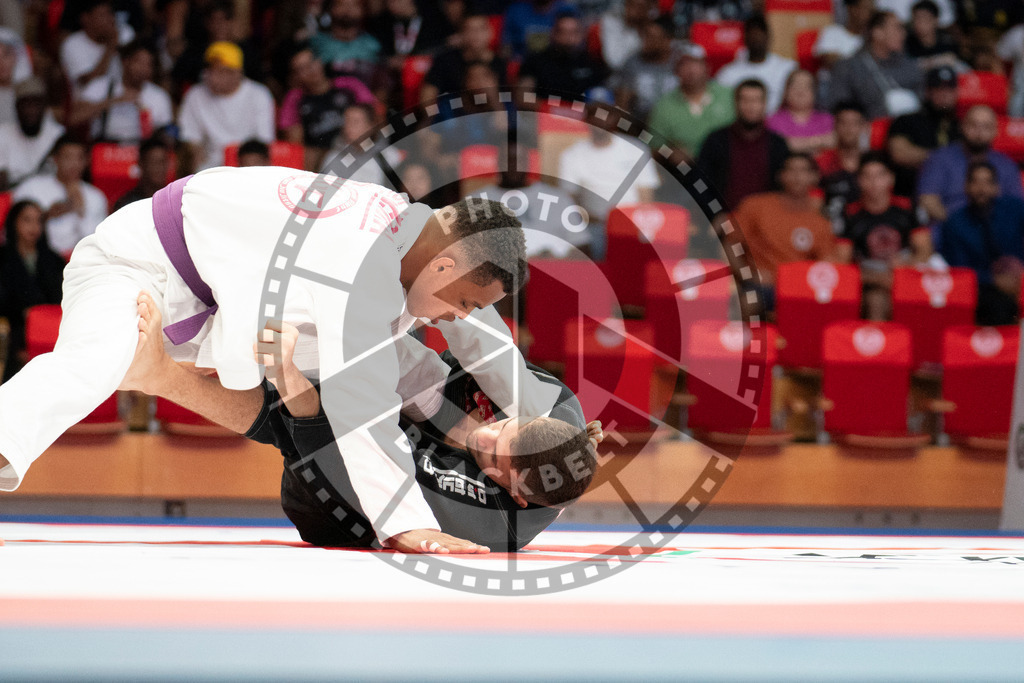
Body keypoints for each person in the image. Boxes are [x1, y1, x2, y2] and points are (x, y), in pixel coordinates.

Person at [0, 167, 528, 555]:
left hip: (214, 307)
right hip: (140, 268)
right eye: (464, 302)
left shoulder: (404, 239)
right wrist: (407, 524)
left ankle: (483, 434)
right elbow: (363, 407)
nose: (456, 318)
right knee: (95, 363)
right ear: (442, 265)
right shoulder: (360, 258)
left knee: (401, 360)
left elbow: (447, 350)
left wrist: (520, 420)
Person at [125, 291, 602, 550]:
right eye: (504, 423)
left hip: (339, 505)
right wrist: (431, 286)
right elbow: (479, 343)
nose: (488, 429)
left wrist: (289, 374)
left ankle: (162, 376)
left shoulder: (491, 523)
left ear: (514, 491)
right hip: (422, 401)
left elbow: (354, 461)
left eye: (494, 451)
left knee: (315, 417)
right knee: (378, 342)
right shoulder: (550, 404)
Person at [559, 92, 661, 258]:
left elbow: (646, 196)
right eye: (594, 114)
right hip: (594, 224)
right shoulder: (571, 154)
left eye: (607, 114)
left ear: (616, 118)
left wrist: (641, 225)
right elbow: (570, 198)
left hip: (633, 224)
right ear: (586, 119)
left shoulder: (636, 149)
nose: (600, 120)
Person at [732, 152, 836, 310]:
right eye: (791, 170)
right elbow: (729, 245)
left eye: (803, 171)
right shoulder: (755, 206)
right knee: (748, 302)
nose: (797, 176)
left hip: (801, 290)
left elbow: (824, 265)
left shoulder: (820, 221)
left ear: (814, 178)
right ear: (781, 176)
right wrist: (747, 275)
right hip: (762, 286)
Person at [940, 161, 1024, 325]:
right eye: (975, 182)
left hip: (1020, 278)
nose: (981, 189)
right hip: (982, 286)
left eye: (987, 182)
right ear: (966, 187)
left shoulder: (1016, 209)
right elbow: (959, 270)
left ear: (997, 187)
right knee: (998, 306)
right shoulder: (955, 224)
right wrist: (995, 281)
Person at [917, 104, 1024, 226]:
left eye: (986, 127)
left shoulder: (1007, 165)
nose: (979, 132)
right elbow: (927, 199)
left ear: (996, 131)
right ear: (962, 126)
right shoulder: (940, 158)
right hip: (949, 228)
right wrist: (960, 227)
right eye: (973, 125)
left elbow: (1016, 207)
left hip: (996, 231)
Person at [473, 142, 586, 258]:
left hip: (549, 269)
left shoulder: (559, 199)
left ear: (528, 163)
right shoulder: (475, 201)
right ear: (498, 163)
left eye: (519, 161)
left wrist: (558, 264)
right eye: (508, 161)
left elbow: (582, 245)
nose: (514, 166)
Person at [842, 152, 919, 319]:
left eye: (879, 176)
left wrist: (908, 264)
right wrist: (879, 279)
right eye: (868, 177)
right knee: (876, 300)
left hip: (906, 275)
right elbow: (843, 260)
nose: (874, 183)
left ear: (890, 179)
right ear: (859, 181)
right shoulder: (850, 214)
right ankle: (882, 345)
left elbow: (924, 250)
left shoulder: (906, 209)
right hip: (869, 280)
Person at [177, 41, 275, 172]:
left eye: (222, 71)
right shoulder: (195, 95)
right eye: (211, 70)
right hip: (210, 168)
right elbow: (189, 138)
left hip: (247, 167)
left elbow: (264, 141)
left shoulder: (259, 95)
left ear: (237, 73)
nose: (213, 77)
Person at [278, 43, 376, 172]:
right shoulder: (294, 99)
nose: (311, 70)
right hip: (321, 160)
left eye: (312, 62)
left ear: (320, 60)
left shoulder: (349, 85)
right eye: (302, 68)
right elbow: (296, 144)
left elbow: (375, 118)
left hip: (358, 151)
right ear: (295, 76)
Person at [697, 79, 790, 210]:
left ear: (765, 104)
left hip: (767, 220)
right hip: (725, 219)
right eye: (745, 100)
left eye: (756, 100)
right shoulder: (716, 140)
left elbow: (784, 187)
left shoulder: (777, 144)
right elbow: (700, 183)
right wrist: (715, 215)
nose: (751, 106)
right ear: (735, 103)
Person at [0, 200, 65, 381]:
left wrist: (40, 316)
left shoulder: (54, 260)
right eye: (27, 220)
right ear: (14, 223)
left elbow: (61, 298)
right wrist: (24, 312)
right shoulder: (2, 258)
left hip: (51, 331)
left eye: (38, 221)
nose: (33, 227)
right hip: (14, 330)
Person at [13, 135, 108, 258]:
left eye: (79, 158)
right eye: (68, 157)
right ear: (55, 159)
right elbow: (12, 232)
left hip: (80, 262)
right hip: (39, 261)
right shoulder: (31, 187)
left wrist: (80, 209)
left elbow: (98, 244)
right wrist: (46, 216)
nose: (74, 164)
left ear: (86, 161)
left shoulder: (96, 196)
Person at [70, 39, 173, 144]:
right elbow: (73, 118)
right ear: (125, 61)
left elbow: (166, 135)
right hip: (105, 152)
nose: (143, 69)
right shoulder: (101, 86)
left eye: (149, 64)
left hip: (141, 152)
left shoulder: (159, 96)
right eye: (139, 62)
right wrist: (114, 101)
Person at [827, 10, 924, 119]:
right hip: (868, 129)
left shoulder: (909, 65)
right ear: (877, 32)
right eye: (897, 28)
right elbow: (839, 106)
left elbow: (921, 98)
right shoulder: (848, 67)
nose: (903, 34)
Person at [647, 43, 735, 157]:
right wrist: (670, 152)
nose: (691, 69)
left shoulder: (728, 95)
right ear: (676, 71)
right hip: (684, 171)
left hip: (725, 167)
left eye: (696, 63)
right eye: (684, 64)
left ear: (707, 67)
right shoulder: (664, 106)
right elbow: (652, 148)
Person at [886, 65, 960, 197]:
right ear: (928, 92)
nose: (944, 94)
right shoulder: (906, 120)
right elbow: (899, 153)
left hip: (953, 195)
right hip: (910, 192)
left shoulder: (962, 125)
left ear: (956, 93)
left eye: (949, 89)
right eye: (938, 89)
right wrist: (946, 157)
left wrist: (922, 155)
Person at [713, 14, 796, 114]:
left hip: (778, 125)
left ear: (769, 37)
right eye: (752, 33)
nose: (756, 37)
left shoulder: (787, 69)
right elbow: (719, 106)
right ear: (744, 38)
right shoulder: (728, 73)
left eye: (760, 33)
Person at [420, 12, 506, 104]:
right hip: (451, 113)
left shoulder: (499, 63)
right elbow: (428, 95)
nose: (476, 35)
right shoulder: (445, 61)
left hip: (489, 114)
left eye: (481, 29)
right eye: (470, 29)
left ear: (490, 32)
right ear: (461, 34)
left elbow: (504, 100)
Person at [517, 11, 609, 96]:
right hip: (545, 111)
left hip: (583, 112)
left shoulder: (591, 63)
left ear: (582, 35)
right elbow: (522, 97)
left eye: (574, 32)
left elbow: (602, 97)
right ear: (553, 34)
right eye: (563, 32)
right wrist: (558, 109)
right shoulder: (536, 61)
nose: (569, 38)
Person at [611, 14, 678, 123]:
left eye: (652, 37)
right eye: (645, 36)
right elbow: (622, 106)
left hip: (674, 122)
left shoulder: (679, 62)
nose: (645, 41)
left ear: (667, 41)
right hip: (641, 124)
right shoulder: (632, 63)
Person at [0, 78, 65, 190]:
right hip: (14, 198)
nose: (31, 110)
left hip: (51, 195)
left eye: (36, 104)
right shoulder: (3, 133)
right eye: (25, 104)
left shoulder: (59, 135)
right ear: (16, 107)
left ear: (45, 107)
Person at [59, 0, 134, 97]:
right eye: (102, 15)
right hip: (89, 105)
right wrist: (110, 46)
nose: (111, 19)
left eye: (110, 14)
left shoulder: (125, 34)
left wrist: (122, 50)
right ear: (85, 19)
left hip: (123, 101)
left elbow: (137, 74)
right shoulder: (73, 44)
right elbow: (90, 83)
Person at [308, 0, 382, 89]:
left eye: (354, 5)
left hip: (365, 100)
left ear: (363, 11)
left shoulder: (373, 45)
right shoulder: (316, 43)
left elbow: (381, 83)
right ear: (331, 9)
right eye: (341, 4)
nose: (347, 10)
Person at [819, 101, 868, 232]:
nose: (849, 129)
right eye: (843, 123)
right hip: (830, 228)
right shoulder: (821, 162)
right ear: (835, 126)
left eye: (854, 123)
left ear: (864, 127)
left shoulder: (873, 162)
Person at [767, 69, 835, 155]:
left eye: (807, 86)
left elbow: (834, 141)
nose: (800, 91)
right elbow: (780, 145)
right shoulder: (773, 121)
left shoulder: (827, 120)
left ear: (815, 92)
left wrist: (797, 143)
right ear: (786, 90)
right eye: (795, 86)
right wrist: (819, 142)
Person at [501, 0, 577, 59]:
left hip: (557, 63)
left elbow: (577, 42)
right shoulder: (516, 11)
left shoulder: (567, 10)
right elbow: (506, 46)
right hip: (521, 63)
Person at [112, 136, 171, 211]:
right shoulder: (127, 205)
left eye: (163, 162)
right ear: (141, 164)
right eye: (154, 162)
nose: (160, 168)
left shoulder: (176, 201)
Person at [813, 0, 873, 71]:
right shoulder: (833, 32)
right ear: (852, 9)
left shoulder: (872, 39)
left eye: (873, 11)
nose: (872, 15)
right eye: (867, 9)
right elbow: (828, 59)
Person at [594, 0, 654, 70]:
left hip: (651, 72)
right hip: (620, 75)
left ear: (649, 8)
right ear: (626, 5)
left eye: (641, 6)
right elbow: (614, 61)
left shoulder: (654, 26)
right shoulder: (612, 20)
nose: (636, 10)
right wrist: (635, 33)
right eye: (632, 4)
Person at [904, 0, 961, 71]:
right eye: (916, 19)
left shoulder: (947, 42)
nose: (920, 24)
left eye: (924, 19)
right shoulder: (906, 44)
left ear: (935, 20)